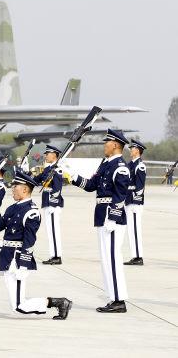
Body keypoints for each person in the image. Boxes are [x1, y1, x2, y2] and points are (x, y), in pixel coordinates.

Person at [0, 170, 72, 320]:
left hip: (17, 261)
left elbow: (29, 241)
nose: (12, 188)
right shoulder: (12, 208)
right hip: (5, 257)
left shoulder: (31, 212)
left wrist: (24, 266)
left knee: (19, 308)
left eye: (16, 186)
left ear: (25, 189)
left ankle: (58, 303)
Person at [61, 129, 130, 313]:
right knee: (106, 259)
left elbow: (121, 195)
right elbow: (91, 186)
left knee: (113, 259)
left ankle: (119, 300)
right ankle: (113, 297)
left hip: (111, 217)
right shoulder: (105, 165)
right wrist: (71, 175)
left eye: (107, 142)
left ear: (115, 145)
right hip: (102, 215)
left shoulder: (120, 167)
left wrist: (113, 218)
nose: (104, 145)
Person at [32, 145, 65, 265]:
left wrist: (53, 203)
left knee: (54, 231)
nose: (45, 155)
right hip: (46, 202)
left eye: (48, 153)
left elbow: (57, 188)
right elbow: (36, 179)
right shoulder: (48, 169)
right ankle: (53, 255)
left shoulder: (57, 169)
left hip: (52, 204)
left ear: (54, 155)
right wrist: (25, 176)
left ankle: (57, 256)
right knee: (50, 231)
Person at [124, 139, 147, 266]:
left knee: (135, 230)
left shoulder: (140, 165)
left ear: (137, 150)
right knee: (131, 231)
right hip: (129, 201)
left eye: (132, 148)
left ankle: (138, 257)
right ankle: (135, 256)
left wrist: (135, 201)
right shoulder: (130, 164)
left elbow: (140, 187)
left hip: (134, 203)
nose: (130, 150)